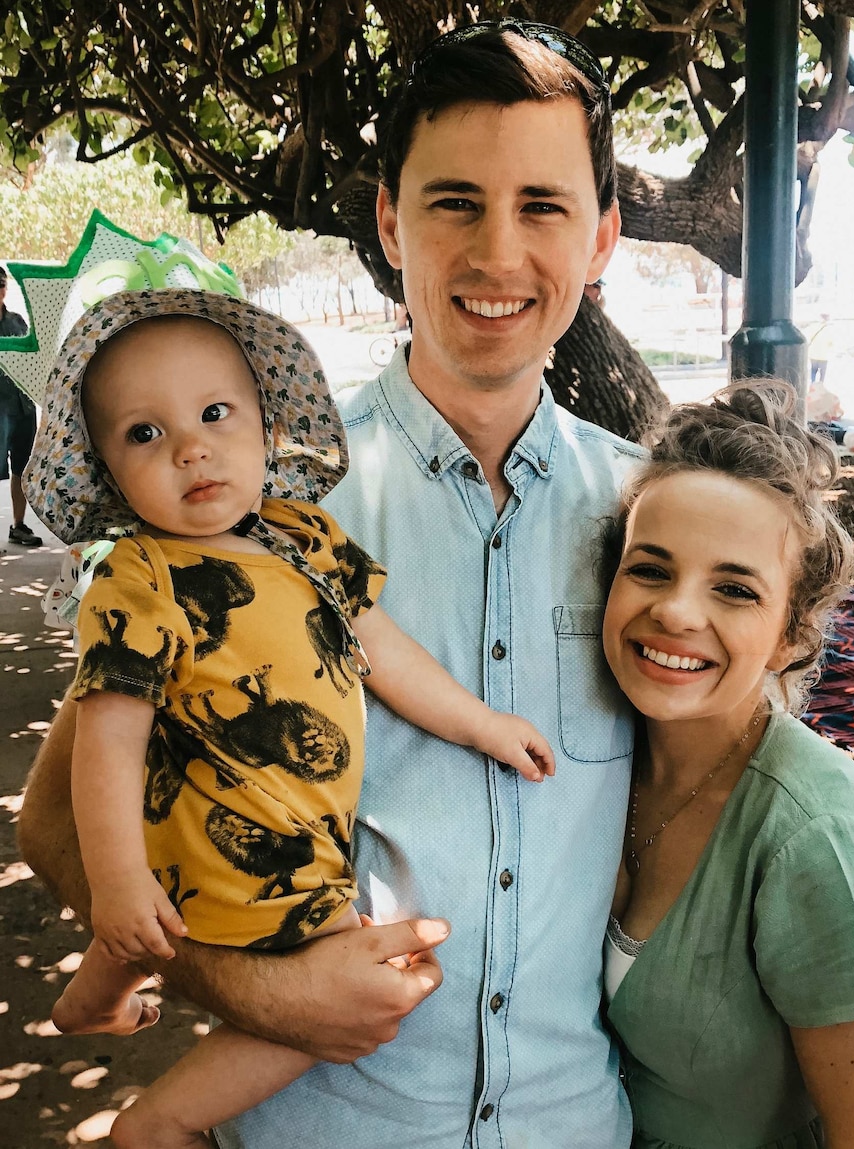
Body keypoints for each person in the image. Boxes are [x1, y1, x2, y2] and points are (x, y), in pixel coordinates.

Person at [19, 20, 638, 1148]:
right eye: (454, 201)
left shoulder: (657, 525)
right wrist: (254, 994)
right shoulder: (233, 518)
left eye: (542, 206)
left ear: (600, 239)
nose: (499, 253)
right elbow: (61, 824)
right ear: (389, 223)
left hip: (574, 1124)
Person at [25, 287, 554, 1149]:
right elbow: (108, 740)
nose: (191, 447)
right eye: (144, 434)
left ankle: (96, 994)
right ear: (108, 472)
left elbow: (386, 650)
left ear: (267, 427)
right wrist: (117, 878)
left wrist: (483, 725)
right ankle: (162, 1119)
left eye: (213, 413)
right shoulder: (139, 574)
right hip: (256, 841)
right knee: (342, 994)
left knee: (171, 936)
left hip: (288, 822)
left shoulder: (304, 536)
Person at [601, 380, 854, 1148]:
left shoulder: (814, 833)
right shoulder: (594, 759)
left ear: (790, 635)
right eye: (649, 569)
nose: (678, 611)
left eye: (735, 588)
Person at [0, 265, 43, 548]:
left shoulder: (16, 322)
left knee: (22, 470)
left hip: (22, 408)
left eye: (1, 285)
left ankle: (18, 526)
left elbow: (32, 360)